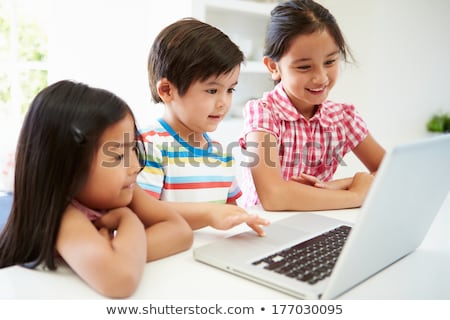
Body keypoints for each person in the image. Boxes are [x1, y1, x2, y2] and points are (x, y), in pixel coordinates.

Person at [0, 80, 193, 298]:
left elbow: (181, 231)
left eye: (133, 149)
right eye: (119, 156)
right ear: (68, 167)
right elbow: (120, 280)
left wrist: (123, 253)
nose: (136, 166)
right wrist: (128, 220)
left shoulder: (121, 189)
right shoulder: (64, 217)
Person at [238, 0, 386, 211]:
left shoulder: (343, 117)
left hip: (321, 221)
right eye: (305, 67)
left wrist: (335, 186)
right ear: (273, 67)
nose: (321, 77)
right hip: (266, 229)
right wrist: (355, 194)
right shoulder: (263, 113)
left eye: (330, 62)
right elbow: (273, 196)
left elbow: (390, 172)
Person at [137, 18, 269, 235]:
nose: (224, 102)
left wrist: (245, 219)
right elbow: (143, 213)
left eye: (230, 90)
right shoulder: (148, 146)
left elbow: (229, 210)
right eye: (212, 91)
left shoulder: (220, 153)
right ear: (167, 90)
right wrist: (208, 213)